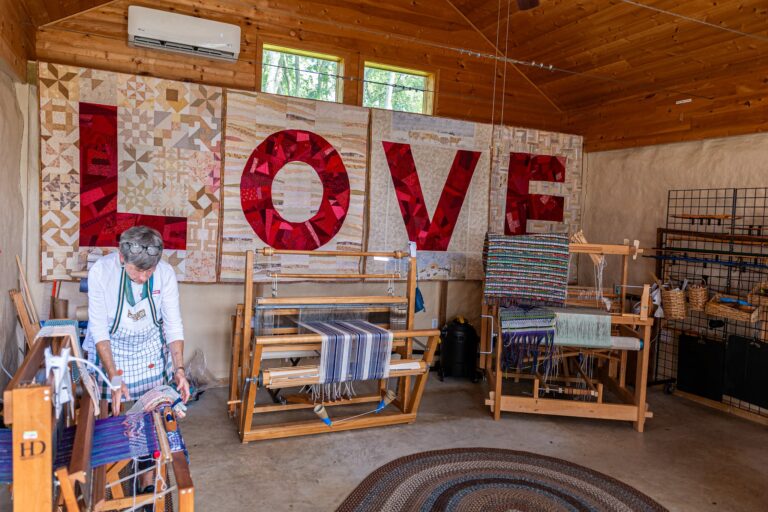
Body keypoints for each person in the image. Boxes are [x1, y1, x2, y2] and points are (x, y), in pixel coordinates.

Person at [84, 226, 190, 498]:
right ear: (122, 258)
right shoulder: (101, 273)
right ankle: (109, 472)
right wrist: (114, 378)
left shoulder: (165, 274)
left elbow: (173, 324)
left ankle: (146, 479)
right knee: (112, 414)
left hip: (148, 349)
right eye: (137, 271)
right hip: (112, 349)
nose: (143, 277)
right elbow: (99, 330)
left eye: (149, 271)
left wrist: (179, 370)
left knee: (153, 414)